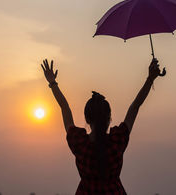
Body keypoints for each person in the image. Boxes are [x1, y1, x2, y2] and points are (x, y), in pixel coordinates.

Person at [41, 58, 164, 195]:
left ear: (87, 119)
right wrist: (150, 79)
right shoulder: (117, 141)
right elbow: (135, 107)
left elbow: (65, 107)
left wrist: (52, 83)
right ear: (109, 119)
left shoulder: (80, 143)